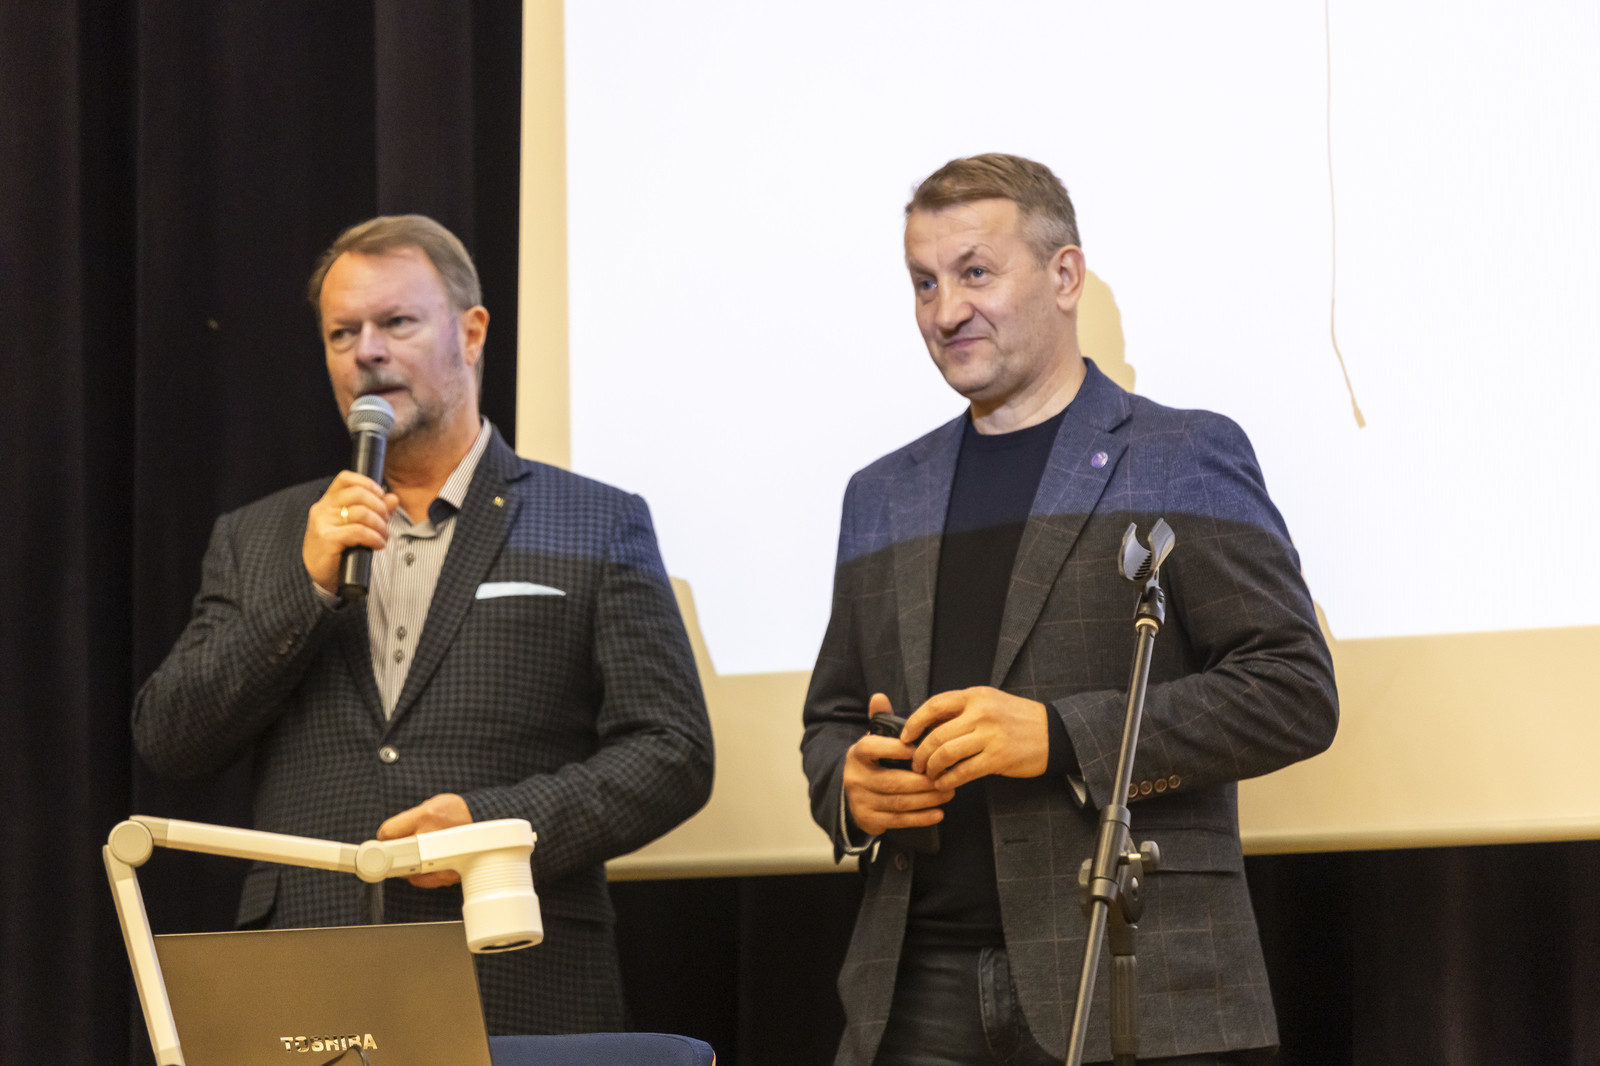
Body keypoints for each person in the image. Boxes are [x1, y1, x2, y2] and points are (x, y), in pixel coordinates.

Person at [801, 154, 1338, 1065]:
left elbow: (1293, 690)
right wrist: (850, 788)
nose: (945, 311)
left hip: (1136, 974)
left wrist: (1060, 736)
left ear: (1064, 276)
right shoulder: (882, 494)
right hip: (916, 989)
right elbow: (832, 721)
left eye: (975, 272)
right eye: (924, 282)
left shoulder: (1180, 453)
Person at [134, 214, 714, 1036]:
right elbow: (171, 739)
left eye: (397, 322)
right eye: (343, 333)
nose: (367, 352)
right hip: (311, 981)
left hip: (516, 973)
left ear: (471, 333)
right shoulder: (261, 536)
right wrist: (306, 588)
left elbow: (674, 752)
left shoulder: (594, 522)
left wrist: (494, 826)